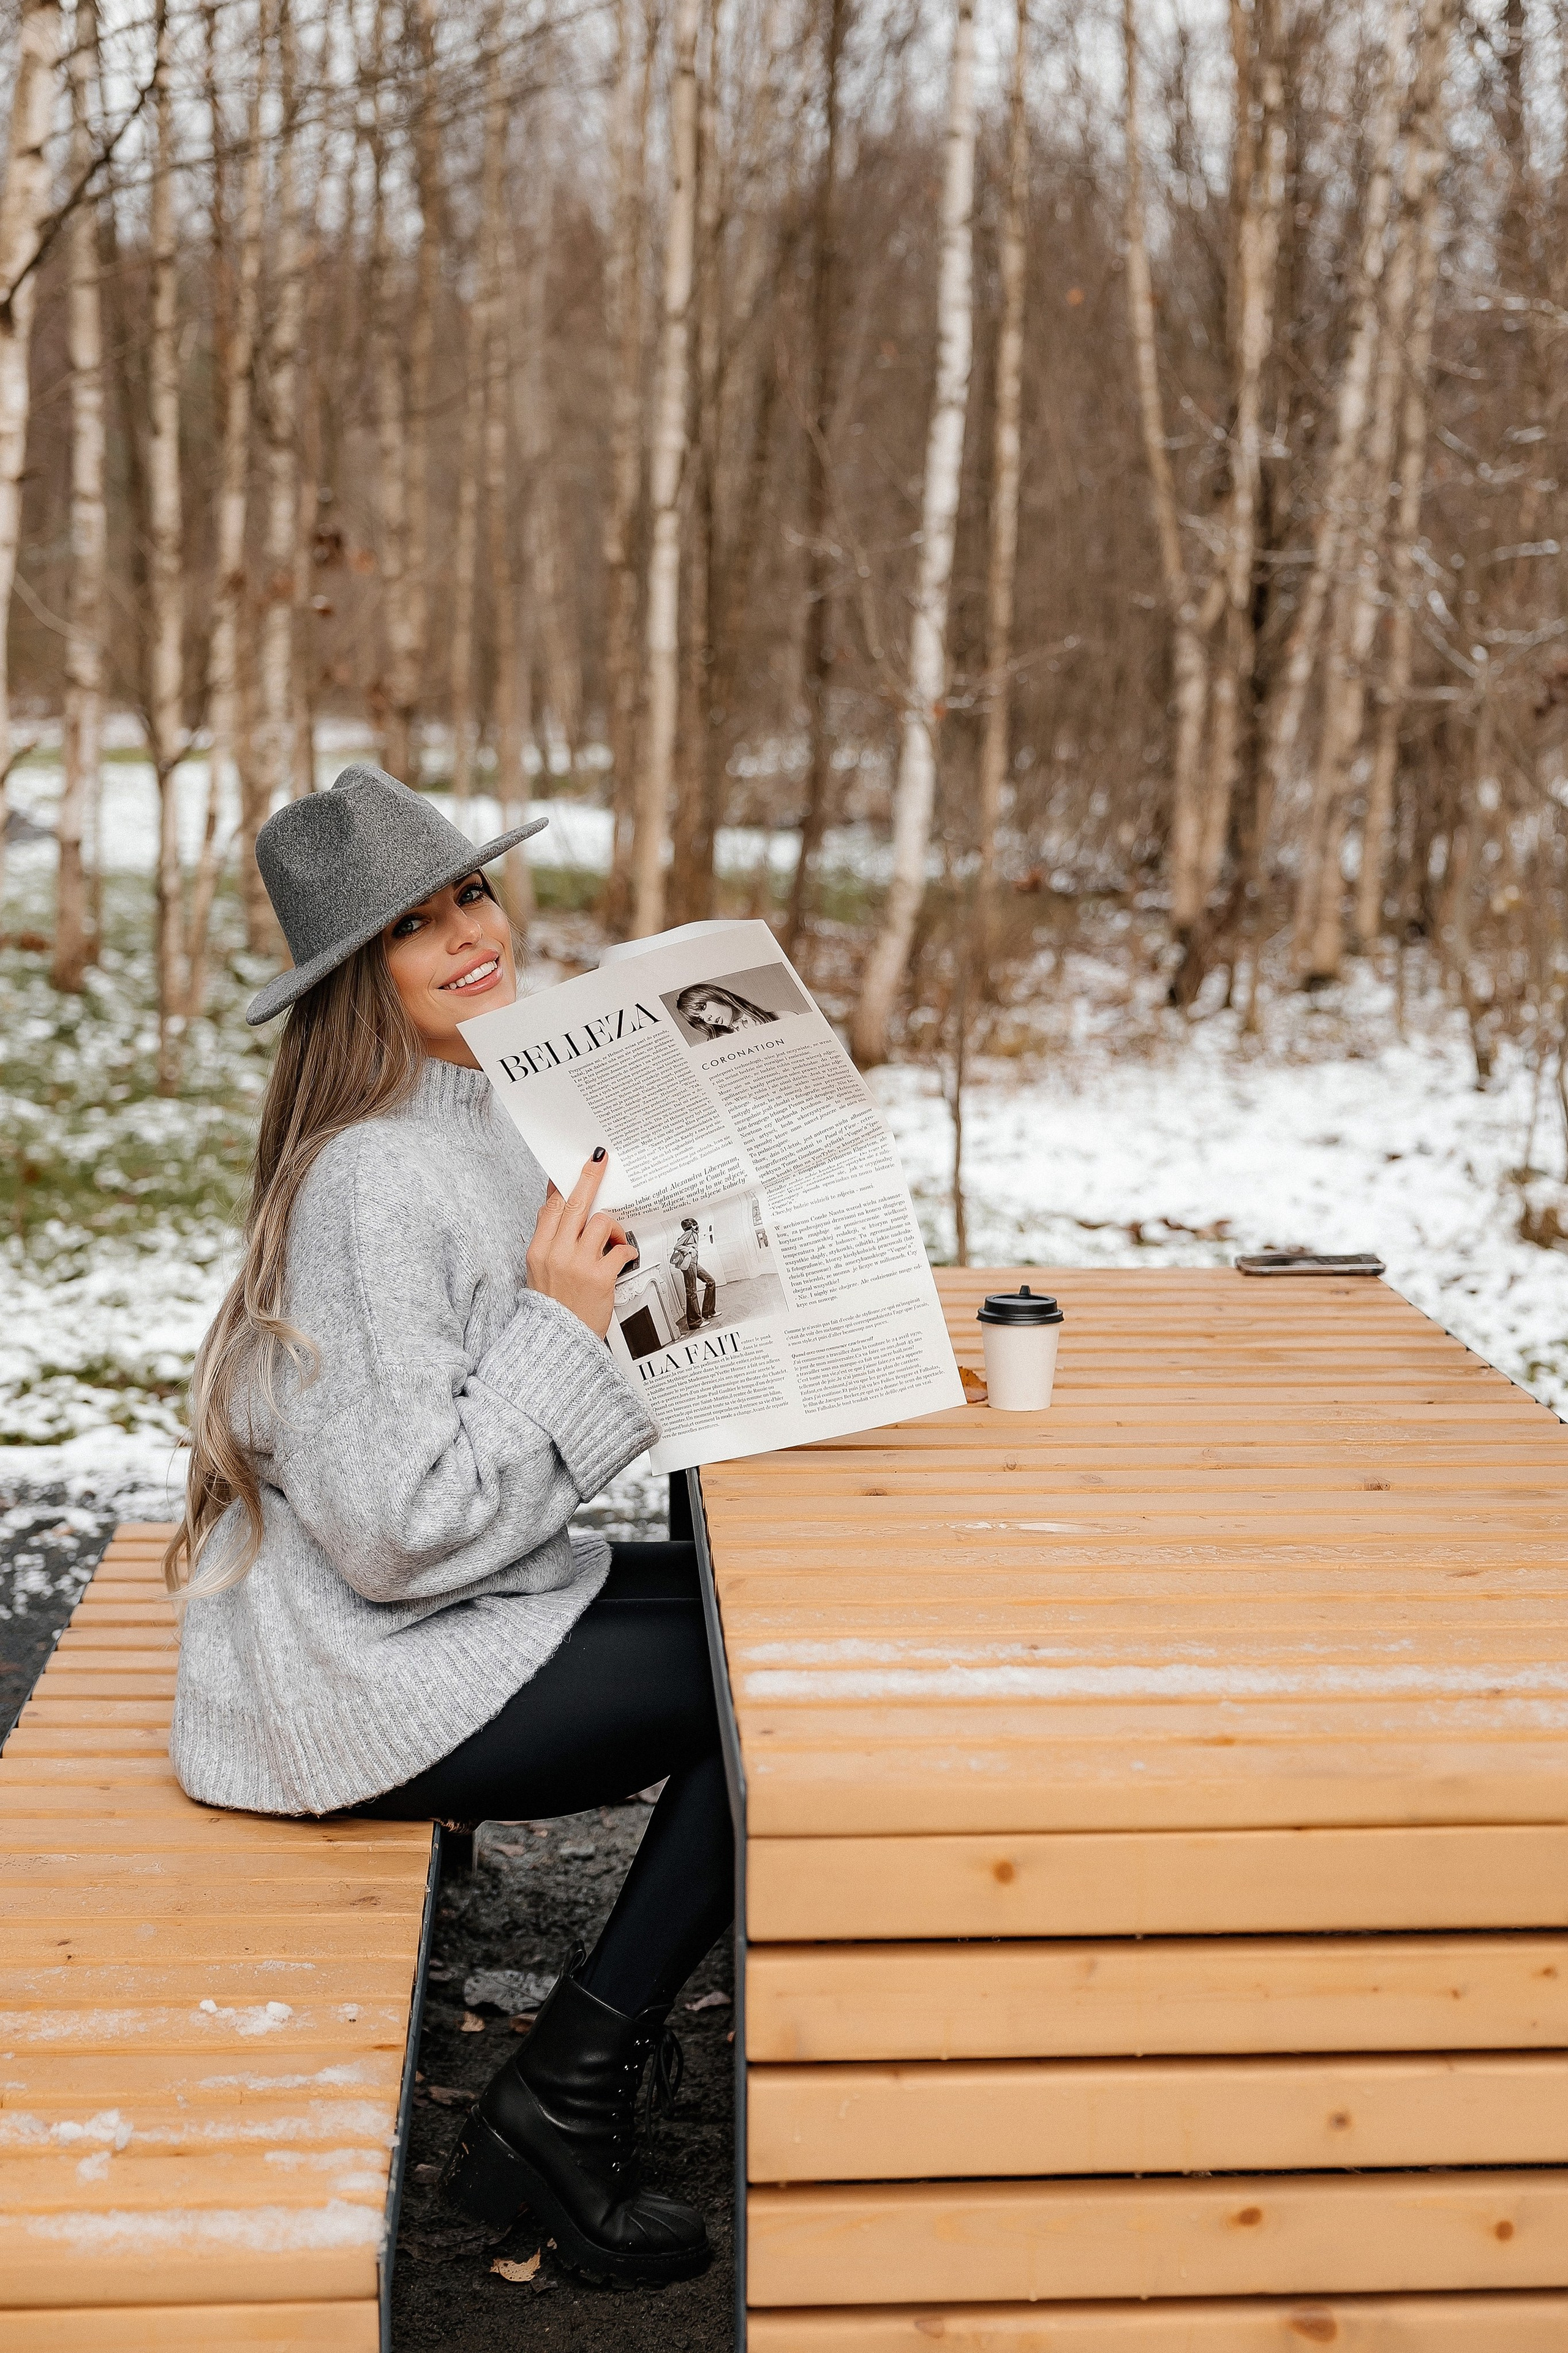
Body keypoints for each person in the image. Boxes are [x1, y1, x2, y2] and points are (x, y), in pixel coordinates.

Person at [165, 765, 733, 2287]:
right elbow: (393, 1530)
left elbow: (519, 1403)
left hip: (439, 1621)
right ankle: (564, 2094)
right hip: (351, 1677)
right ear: (359, 976)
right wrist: (565, 1324)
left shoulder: (484, 1110)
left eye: (468, 892)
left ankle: (568, 2079)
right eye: (413, 925)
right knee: (767, 1692)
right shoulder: (375, 1176)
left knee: (758, 1623)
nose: (467, 934)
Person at [673, 980, 781, 1041]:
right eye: (700, 1018)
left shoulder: (783, 1017)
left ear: (717, 996)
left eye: (703, 1008)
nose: (707, 1018)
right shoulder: (715, 1043)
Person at [669, 1217, 717, 1330]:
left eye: (694, 1224)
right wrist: (689, 1250)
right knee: (691, 1291)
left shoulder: (694, 1233)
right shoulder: (689, 1233)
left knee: (710, 1282)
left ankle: (708, 1312)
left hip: (694, 1263)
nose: (694, 1226)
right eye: (691, 1225)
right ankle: (695, 1322)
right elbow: (677, 1246)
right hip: (689, 1263)